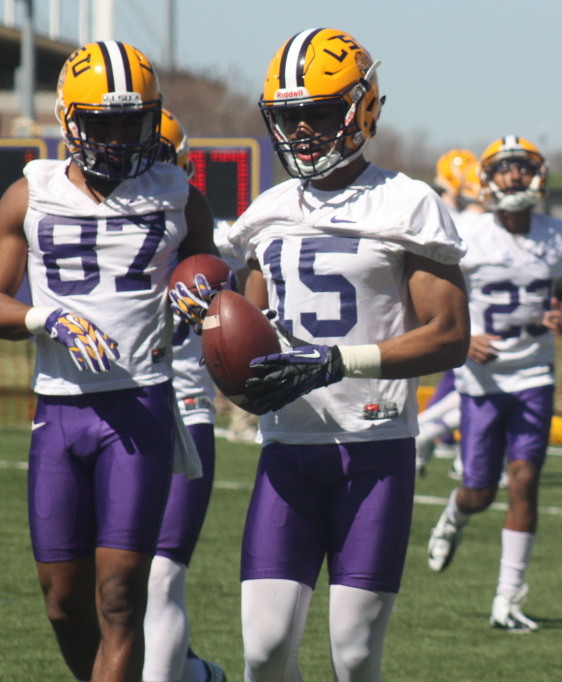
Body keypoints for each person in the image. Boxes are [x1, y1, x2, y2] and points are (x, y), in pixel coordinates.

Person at [223, 29, 468, 681]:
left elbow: (449, 335)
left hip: (374, 445)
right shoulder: (266, 213)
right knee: (265, 650)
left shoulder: (408, 202)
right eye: (290, 115)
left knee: (355, 656)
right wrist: (212, 337)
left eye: (321, 112)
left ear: (362, 108)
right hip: (289, 447)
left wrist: (339, 362)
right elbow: (248, 346)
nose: (303, 128)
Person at [0, 41, 216, 682]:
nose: (120, 137)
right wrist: (44, 316)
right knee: (65, 604)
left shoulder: (177, 194)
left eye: (132, 120)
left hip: (140, 403)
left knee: (121, 597)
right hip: (60, 412)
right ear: (70, 120)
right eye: (104, 122)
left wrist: (203, 285)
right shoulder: (29, 195)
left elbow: (210, 268)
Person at [426, 135, 562, 632]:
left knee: (526, 482)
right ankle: (455, 514)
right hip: (481, 379)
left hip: (534, 373)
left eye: (522, 167)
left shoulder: (560, 237)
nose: (514, 176)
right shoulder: (466, 232)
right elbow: (430, 297)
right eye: (505, 168)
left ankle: (506, 599)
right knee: (478, 491)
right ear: (487, 179)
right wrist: (461, 336)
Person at [142, 108, 227, 682]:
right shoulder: (87, 227)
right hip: (114, 413)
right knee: (113, 584)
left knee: (160, 576)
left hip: (181, 412)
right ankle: (197, 676)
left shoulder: (199, 235)